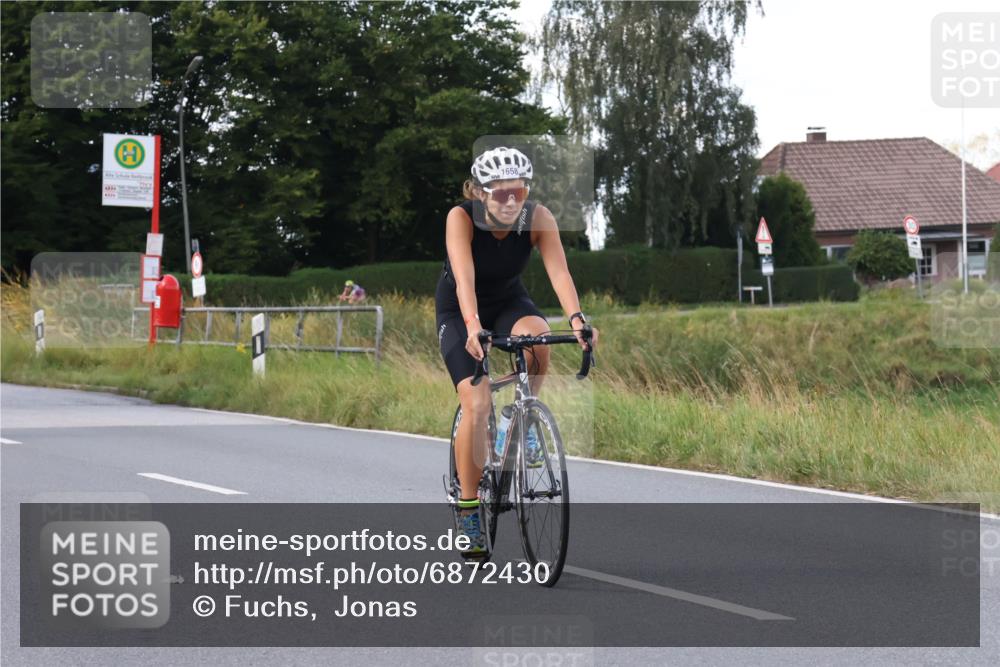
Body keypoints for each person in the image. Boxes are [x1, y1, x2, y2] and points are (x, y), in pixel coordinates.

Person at [437, 146, 599, 559]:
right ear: (479, 192)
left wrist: (577, 321)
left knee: (539, 338)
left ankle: (518, 417)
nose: (511, 201)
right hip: (460, 309)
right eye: (500, 193)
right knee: (477, 403)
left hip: (509, 302)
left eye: (519, 192)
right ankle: (469, 508)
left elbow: (559, 271)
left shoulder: (538, 218)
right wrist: (473, 326)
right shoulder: (461, 218)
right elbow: (464, 278)